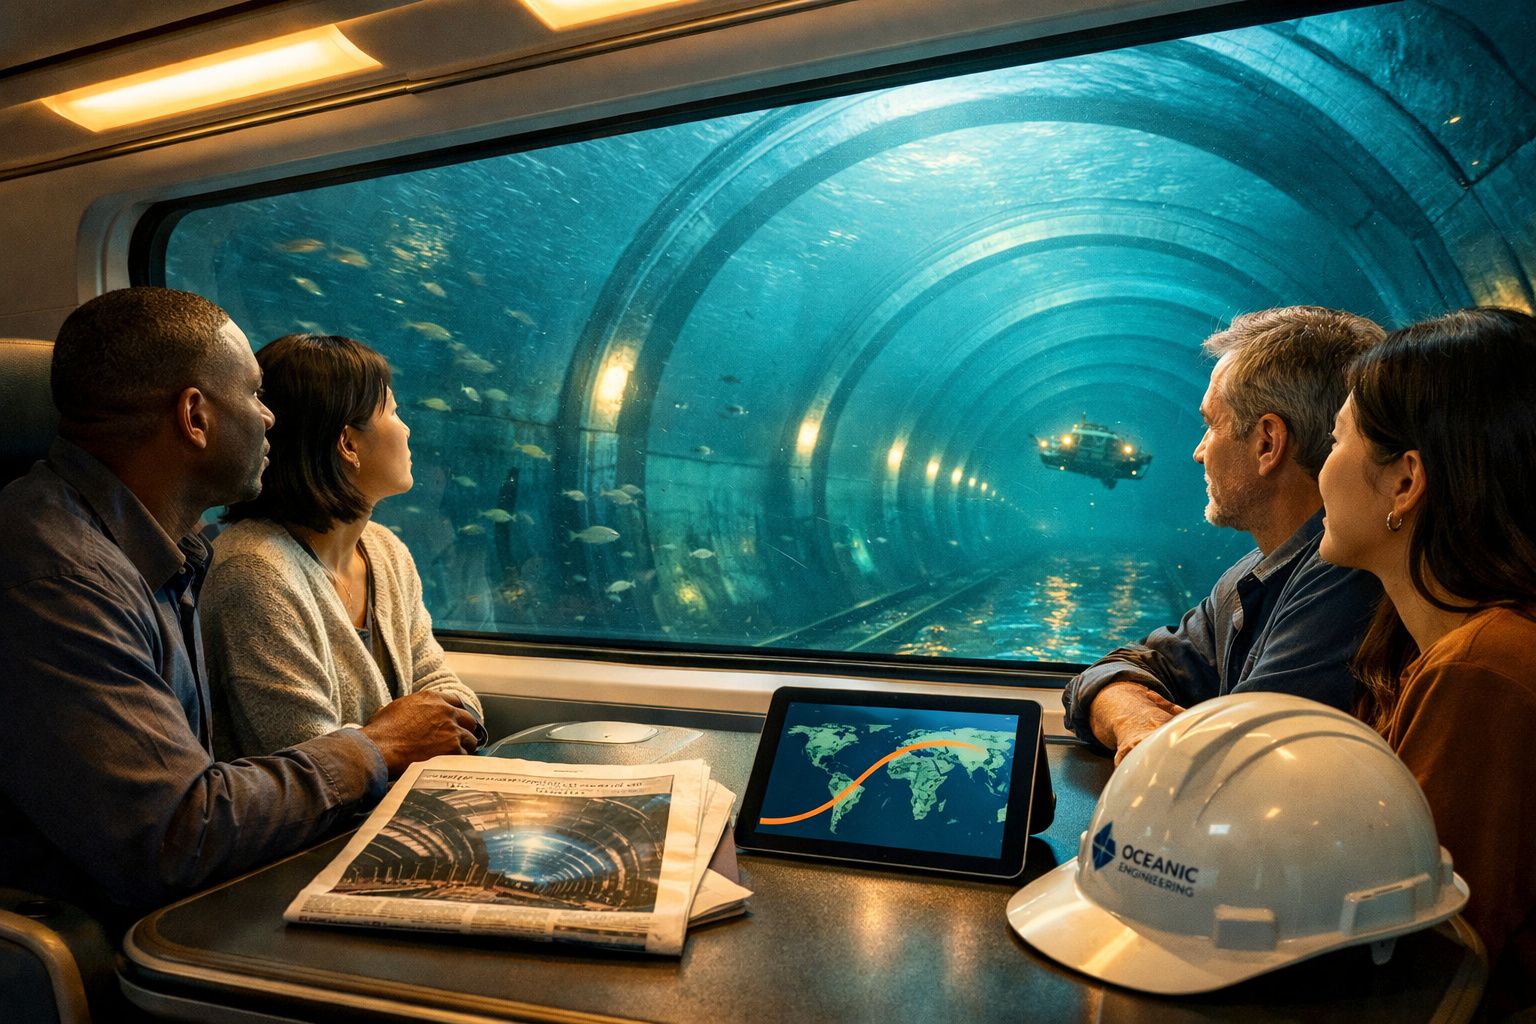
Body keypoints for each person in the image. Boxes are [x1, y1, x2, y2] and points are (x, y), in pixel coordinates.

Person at [0, 288, 481, 922]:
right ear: (195, 417)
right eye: (254, 395)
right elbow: (177, 835)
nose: (270, 418)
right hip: (102, 931)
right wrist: (376, 746)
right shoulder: (63, 577)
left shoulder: (173, 553)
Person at [1317, 306, 1536, 1015]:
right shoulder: (1428, 647)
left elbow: (1422, 964)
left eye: (1336, 441)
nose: (1321, 472)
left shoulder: (1486, 671)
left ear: (1406, 483)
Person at [1061, 306, 1384, 762]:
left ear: (1267, 443)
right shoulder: (1248, 577)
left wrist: (1156, 737)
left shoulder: (1347, 580)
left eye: (1211, 424)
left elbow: (1243, 761)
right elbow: (1117, 669)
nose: (1197, 452)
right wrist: (1135, 717)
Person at [200, 333, 486, 756]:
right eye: (394, 411)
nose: (406, 429)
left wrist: (423, 729)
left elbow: (443, 685)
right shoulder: (253, 573)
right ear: (348, 443)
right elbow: (307, 760)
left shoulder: (386, 551)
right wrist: (403, 736)